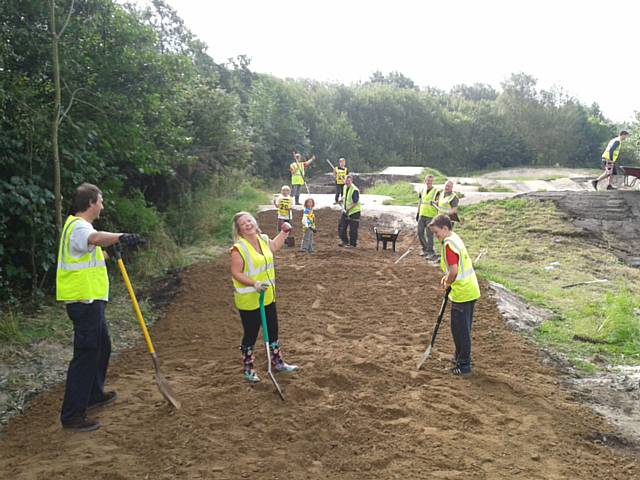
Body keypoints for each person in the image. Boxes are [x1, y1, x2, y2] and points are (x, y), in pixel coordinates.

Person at [57, 183, 141, 432]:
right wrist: (120, 237)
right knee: (86, 354)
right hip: (83, 301)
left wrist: (112, 247)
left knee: (102, 346)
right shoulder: (79, 227)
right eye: (101, 201)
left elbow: (94, 246)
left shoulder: (81, 227)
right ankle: (72, 415)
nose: (102, 205)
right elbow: (94, 238)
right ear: (92, 202)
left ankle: (93, 394)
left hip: (93, 301)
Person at [230, 212, 299, 383]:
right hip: (249, 299)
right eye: (243, 223)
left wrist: (284, 232)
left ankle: (277, 362)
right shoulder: (239, 248)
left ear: (254, 222)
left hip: (267, 295)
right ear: (239, 229)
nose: (247, 224)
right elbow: (236, 272)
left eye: (249, 220)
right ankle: (248, 367)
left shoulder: (263, 239)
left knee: (273, 329)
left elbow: (274, 247)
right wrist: (254, 283)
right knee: (251, 333)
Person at [429, 214, 480, 376]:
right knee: (462, 328)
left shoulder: (449, 245)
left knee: (460, 330)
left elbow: (454, 270)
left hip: (463, 292)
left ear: (445, 228)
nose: (436, 237)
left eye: (436, 233)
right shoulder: (454, 238)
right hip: (470, 289)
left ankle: (464, 365)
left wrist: (449, 282)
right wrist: (448, 278)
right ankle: (459, 357)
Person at [416, 174, 440, 259]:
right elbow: (420, 202)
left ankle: (430, 252)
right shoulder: (422, 190)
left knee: (429, 234)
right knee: (420, 232)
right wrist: (418, 213)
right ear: (425, 181)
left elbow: (439, 201)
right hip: (422, 215)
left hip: (431, 216)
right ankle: (425, 249)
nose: (429, 182)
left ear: (432, 181)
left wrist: (434, 202)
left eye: (431, 181)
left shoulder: (436, 191)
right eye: (428, 180)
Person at [338, 175, 361, 248]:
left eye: (349, 181)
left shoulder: (355, 190)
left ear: (351, 181)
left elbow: (355, 202)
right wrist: (341, 200)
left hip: (354, 212)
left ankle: (352, 244)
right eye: (346, 181)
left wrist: (348, 209)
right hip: (346, 211)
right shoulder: (344, 187)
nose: (347, 182)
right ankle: (344, 241)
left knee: (353, 230)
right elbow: (345, 196)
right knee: (341, 227)